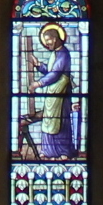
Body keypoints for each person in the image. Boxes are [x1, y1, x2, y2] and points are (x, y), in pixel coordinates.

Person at [19, 21, 78, 159]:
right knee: (49, 119)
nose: (47, 44)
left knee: (60, 120)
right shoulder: (55, 54)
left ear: (56, 38)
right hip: (52, 94)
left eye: (49, 41)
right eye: (45, 41)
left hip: (61, 93)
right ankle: (48, 151)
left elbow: (56, 74)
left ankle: (64, 151)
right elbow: (50, 71)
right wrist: (39, 64)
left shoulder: (64, 53)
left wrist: (37, 84)